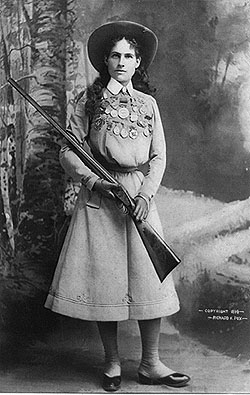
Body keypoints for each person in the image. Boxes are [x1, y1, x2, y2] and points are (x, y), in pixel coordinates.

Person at [45, 21, 190, 391]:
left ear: (138, 61)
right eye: (115, 55)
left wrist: (144, 196)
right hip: (100, 196)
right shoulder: (86, 101)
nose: (122, 62)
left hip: (139, 196)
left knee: (149, 278)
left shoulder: (148, 104)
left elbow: (158, 157)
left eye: (129, 56)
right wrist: (95, 181)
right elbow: (68, 151)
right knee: (103, 281)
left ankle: (150, 363)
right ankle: (111, 363)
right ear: (105, 61)